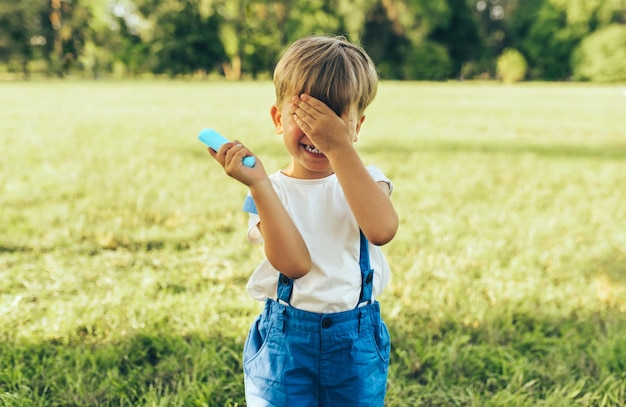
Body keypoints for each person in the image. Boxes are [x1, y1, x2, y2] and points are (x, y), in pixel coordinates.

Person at [207, 34, 399, 407]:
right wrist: (259, 184)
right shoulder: (268, 191)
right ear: (279, 119)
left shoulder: (366, 179)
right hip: (286, 345)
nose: (317, 131)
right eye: (306, 115)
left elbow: (382, 230)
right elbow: (293, 265)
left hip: (354, 344)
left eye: (333, 119)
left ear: (357, 126)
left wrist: (339, 147)